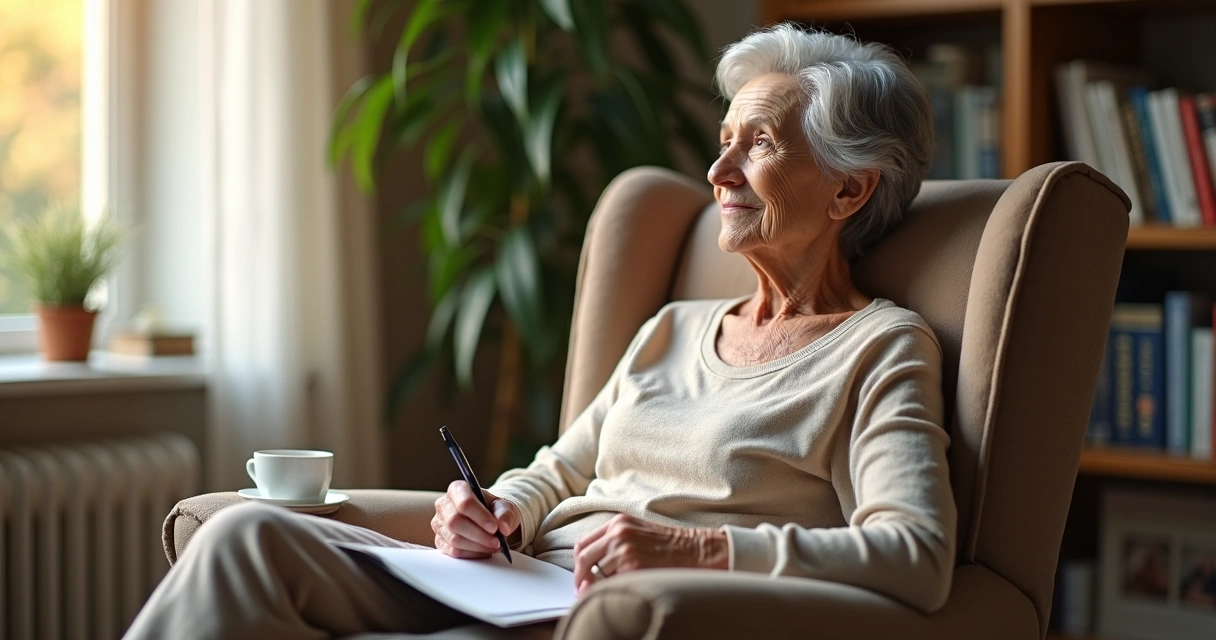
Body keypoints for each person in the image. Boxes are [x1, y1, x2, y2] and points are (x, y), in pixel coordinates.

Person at [124, 23, 954, 639]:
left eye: (759, 144)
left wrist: (696, 548)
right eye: (723, 140)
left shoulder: (879, 348)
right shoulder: (674, 329)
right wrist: (496, 512)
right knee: (246, 533)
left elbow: (913, 553)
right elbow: (560, 469)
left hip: (611, 615)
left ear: (848, 192)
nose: (718, 172)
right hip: (512, 580)